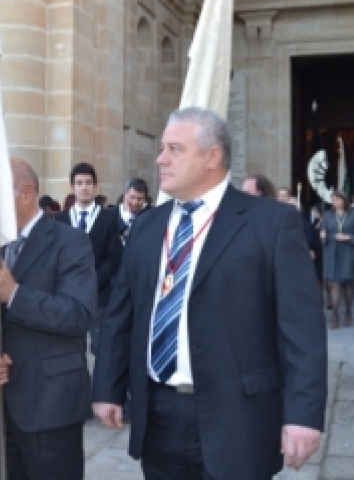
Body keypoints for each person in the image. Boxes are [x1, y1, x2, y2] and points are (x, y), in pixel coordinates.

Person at [92, 107, 327, 480]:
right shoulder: (147, 226)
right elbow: (122, 313)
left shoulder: (270, 224)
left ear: (211, 157)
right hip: (159, 414)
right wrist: (107, 386)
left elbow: (302, 329)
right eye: (162, 149)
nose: (160, 159)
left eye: (174, 149)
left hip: (239, 417)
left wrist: (302, 415)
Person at [0, 158, 97, 480]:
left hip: (48, 406)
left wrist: (15, 294)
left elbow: (78, 314)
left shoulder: (70, 241)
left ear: (25, 193)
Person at [56, 162, 122, 355]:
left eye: (88, 183)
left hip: (100, 295)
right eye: (79, 183)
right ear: (72, 187)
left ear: (95, 186)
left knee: (100, 348)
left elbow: (113, 257)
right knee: (70, 349)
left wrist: (93, 282)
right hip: (67, 295)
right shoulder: (61, 220)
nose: (84, 187)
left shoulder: (109, 218)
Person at [320, 191, 354, 328]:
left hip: (347, 253)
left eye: (338, 200)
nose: (335, 202)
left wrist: (348, 237)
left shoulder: (353, 215)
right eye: (333, 200)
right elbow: (322, 234)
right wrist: (322, 235)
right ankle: (335, 316)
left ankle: (348, 312)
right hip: (331, 252)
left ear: (344, 201)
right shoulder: (327, 215)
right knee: (334, 284)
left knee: (348, 285)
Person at [118, 177, 150, 245]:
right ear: (125, 195)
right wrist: (127, 215)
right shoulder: (112, 213)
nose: (135, 202)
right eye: (132, 197)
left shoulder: (151, 214)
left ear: (145, 199)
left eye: (139, 199)